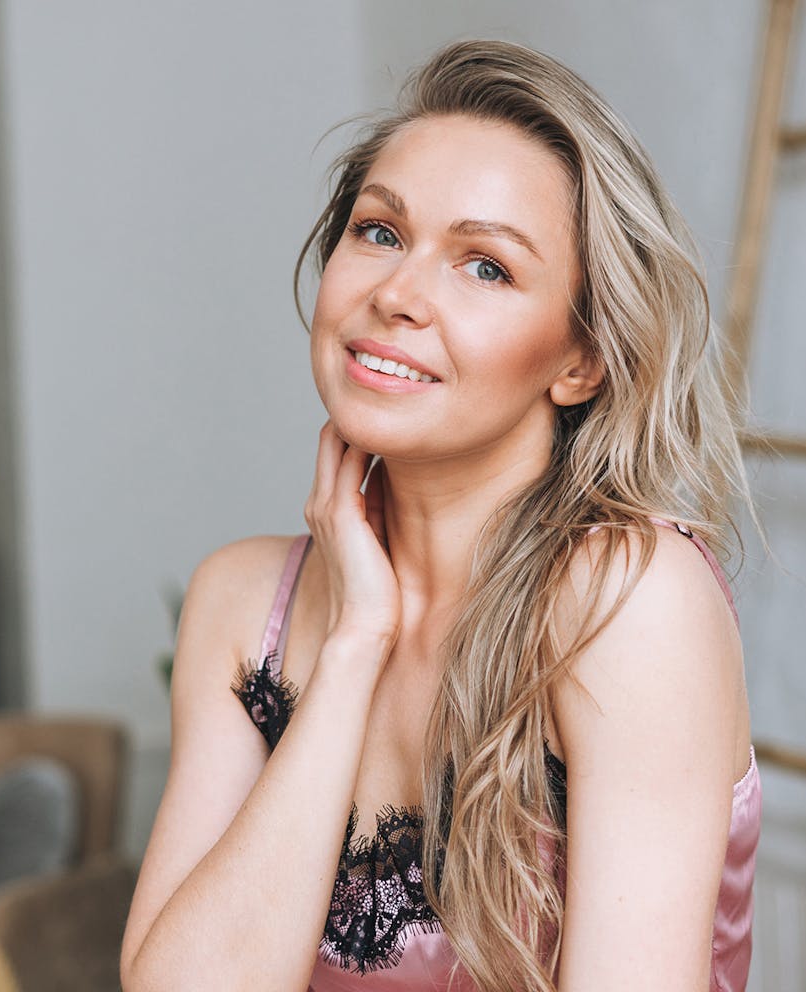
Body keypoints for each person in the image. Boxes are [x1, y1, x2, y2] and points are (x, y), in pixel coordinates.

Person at [118, 40, 760, 992]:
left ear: (579, 360)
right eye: (380, 232)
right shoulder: (240, 601)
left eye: (486, 267)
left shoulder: (625, 602)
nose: (396, 294)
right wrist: (354, 645)